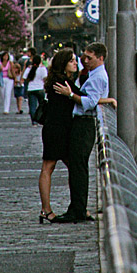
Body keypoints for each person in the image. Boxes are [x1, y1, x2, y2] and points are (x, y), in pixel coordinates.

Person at [53, 42, 115, 223]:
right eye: (84, 57)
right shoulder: (92, 75)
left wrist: (69, 94)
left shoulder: (98, 77)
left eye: (90, 57)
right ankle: (78, 207)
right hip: (81, 123)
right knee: (77, 167)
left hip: (84, 124)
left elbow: (89, 102)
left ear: (101, 58)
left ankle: (78, 209)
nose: (85, 61)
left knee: (78, 168)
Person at [38, 48, 78, 223]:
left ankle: (77, 206)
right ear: (63, 64)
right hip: (56, 129)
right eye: (72, 61)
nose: (76, 63)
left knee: (72, 167)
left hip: (60, 128)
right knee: (49, 166)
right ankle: (46, 209)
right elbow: (82, 97)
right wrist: (108, 100)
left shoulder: (63, 80)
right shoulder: (61, 82)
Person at [23, 54, 47, 125]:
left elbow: (25, 78)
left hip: (31, 89)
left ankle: (34, 121)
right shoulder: (42, 68)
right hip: (40, 88)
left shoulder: (29, 68)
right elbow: (45, 78)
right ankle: (41, 118)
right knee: (42, 105)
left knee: (32, 106)